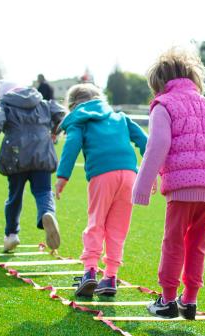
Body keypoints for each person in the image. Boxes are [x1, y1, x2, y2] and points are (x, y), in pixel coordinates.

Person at [132, 47, 205, 319]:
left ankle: (166, 300)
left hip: (182, 186)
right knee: (196, 243)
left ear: (159, 82)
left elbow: (158, 145)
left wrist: (143, 184)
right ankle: (189, 300)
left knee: (173, 241)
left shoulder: (163, 105)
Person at [55, 83, 148, 297]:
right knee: (118, 228)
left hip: (102, 174)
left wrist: (62, 176)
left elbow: (72, 145)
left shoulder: (80, 120)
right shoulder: (120, 118)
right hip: (129, 175)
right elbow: (145, 141)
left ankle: (89, 272)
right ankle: (110, 277)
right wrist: (151, 172)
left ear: (73, 105)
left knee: (96, 222)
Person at [0, 80, 65, 252]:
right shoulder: (42, 102)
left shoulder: (5, 105)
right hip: (42, 154)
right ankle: (47, 213)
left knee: (15, 196)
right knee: (44, 191)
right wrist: (55, 131)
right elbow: (60, 113)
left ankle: (11, 234)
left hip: (16, 157)